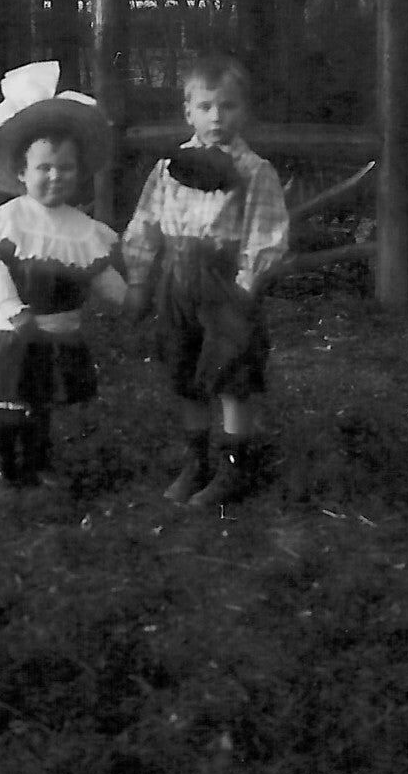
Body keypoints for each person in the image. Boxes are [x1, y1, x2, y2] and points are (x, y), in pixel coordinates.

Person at [0, 61, 127, 489]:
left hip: (55, 332)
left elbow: (97, 274)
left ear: (79, 174)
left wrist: (128, 297)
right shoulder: (7, 222)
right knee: (8, 401)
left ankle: (38, 460)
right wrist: (12, 309)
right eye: (43, 168)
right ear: (22, 172)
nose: (54, 177)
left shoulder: (83, 231)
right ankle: (3, 463)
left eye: (65, 169)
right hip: (14, 330)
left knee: (42, 399)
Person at [123, 54, 290, 508]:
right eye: (207, 107)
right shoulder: (168, 169)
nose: (218, 117)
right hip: (177, 281)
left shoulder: (256, 172)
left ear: (244, 111)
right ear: (188, 111)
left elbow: (267, 234)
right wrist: (139, 279)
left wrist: (245, 286)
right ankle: (196, 460)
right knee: (185, 371)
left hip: (225, 286)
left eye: (229, 106)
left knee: (231, 373)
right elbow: (145, 224)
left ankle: (235, 468)